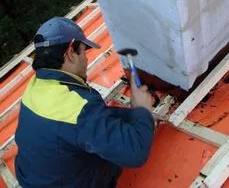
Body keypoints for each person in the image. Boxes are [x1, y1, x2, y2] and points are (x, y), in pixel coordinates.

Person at [14, 17, 156, 187]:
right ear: (70, 54)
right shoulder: (78, 106)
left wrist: (130, 114)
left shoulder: (36, 87)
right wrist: (142, 112)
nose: (87, 60)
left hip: (34, 178)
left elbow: (76, 122)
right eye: (83, 52)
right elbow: (135, 152)